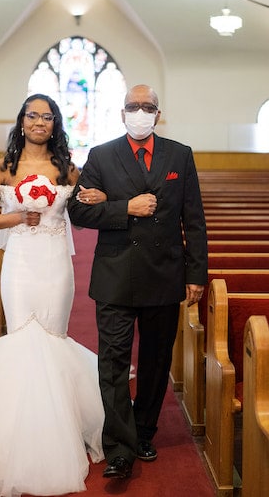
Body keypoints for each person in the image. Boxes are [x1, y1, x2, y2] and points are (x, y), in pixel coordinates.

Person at [0, 93, 106, 497]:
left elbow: (87, 207)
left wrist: (96, 197)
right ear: (21, 121)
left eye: (48, 116)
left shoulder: (67, 168)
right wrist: (18, 216)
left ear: (55, 124)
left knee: (52, 337)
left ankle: (60, 430)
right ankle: (11, 436)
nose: (40, 122)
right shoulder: (3, 168)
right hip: (20, 263)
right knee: (22, 336)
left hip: (56, 264)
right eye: (33, 115)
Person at [67, 84, 208, 480]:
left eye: (148, 106)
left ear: (158, 114)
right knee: (112, 362)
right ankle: (119, 446)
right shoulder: (102, 155)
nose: (140, 112)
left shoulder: (180, 154)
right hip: (115, 273)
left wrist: (196, 273)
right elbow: (78, 211)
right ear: (122, 112)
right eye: (134, 106)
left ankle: (144, 431)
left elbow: (193, 219)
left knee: (155, 361)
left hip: (165, 273)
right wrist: (122, 208)